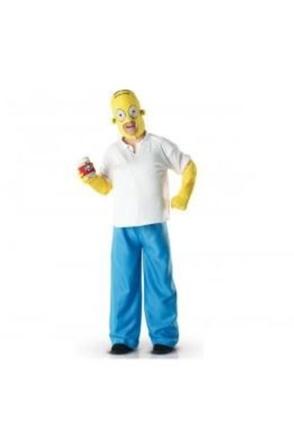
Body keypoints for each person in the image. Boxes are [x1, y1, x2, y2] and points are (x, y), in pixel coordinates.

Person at [78, 89, 197, 355]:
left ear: (140, 112)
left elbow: (189, 166)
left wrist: (183, 195)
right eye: (121, 114)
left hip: (154, 224)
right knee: (123, 282)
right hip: (123, 227)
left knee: (160, 281)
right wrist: (91, 180)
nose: (128, 119)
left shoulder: (159, 145)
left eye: (132, 112)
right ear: (115, 119)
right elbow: (106, 187)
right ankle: (122, 337)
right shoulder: (112, 152)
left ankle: (164, 336)